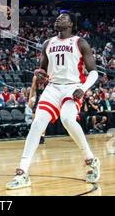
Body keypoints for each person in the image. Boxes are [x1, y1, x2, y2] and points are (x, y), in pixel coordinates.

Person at [6, 12, 100, 190]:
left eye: (63, 17)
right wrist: (40, 74)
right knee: (37, 124)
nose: (58, 19)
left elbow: (94, 71)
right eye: (57, 17)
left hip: (73, 86)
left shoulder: (80, 42)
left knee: (67, 119)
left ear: (71, 23)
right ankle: (22, 172)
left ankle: (90, 160)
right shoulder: (47, 43)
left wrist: (84, 88)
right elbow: (43, 70)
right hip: (53, 87)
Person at [28, 75, 47, 144]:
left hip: (46, 99)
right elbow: (32, 88)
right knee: (34, 118)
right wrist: (30, 99)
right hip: (38, 98)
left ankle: (42, 136)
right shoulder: (36, 77)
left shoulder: (49, 76)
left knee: (44, 119)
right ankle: (35, 135)